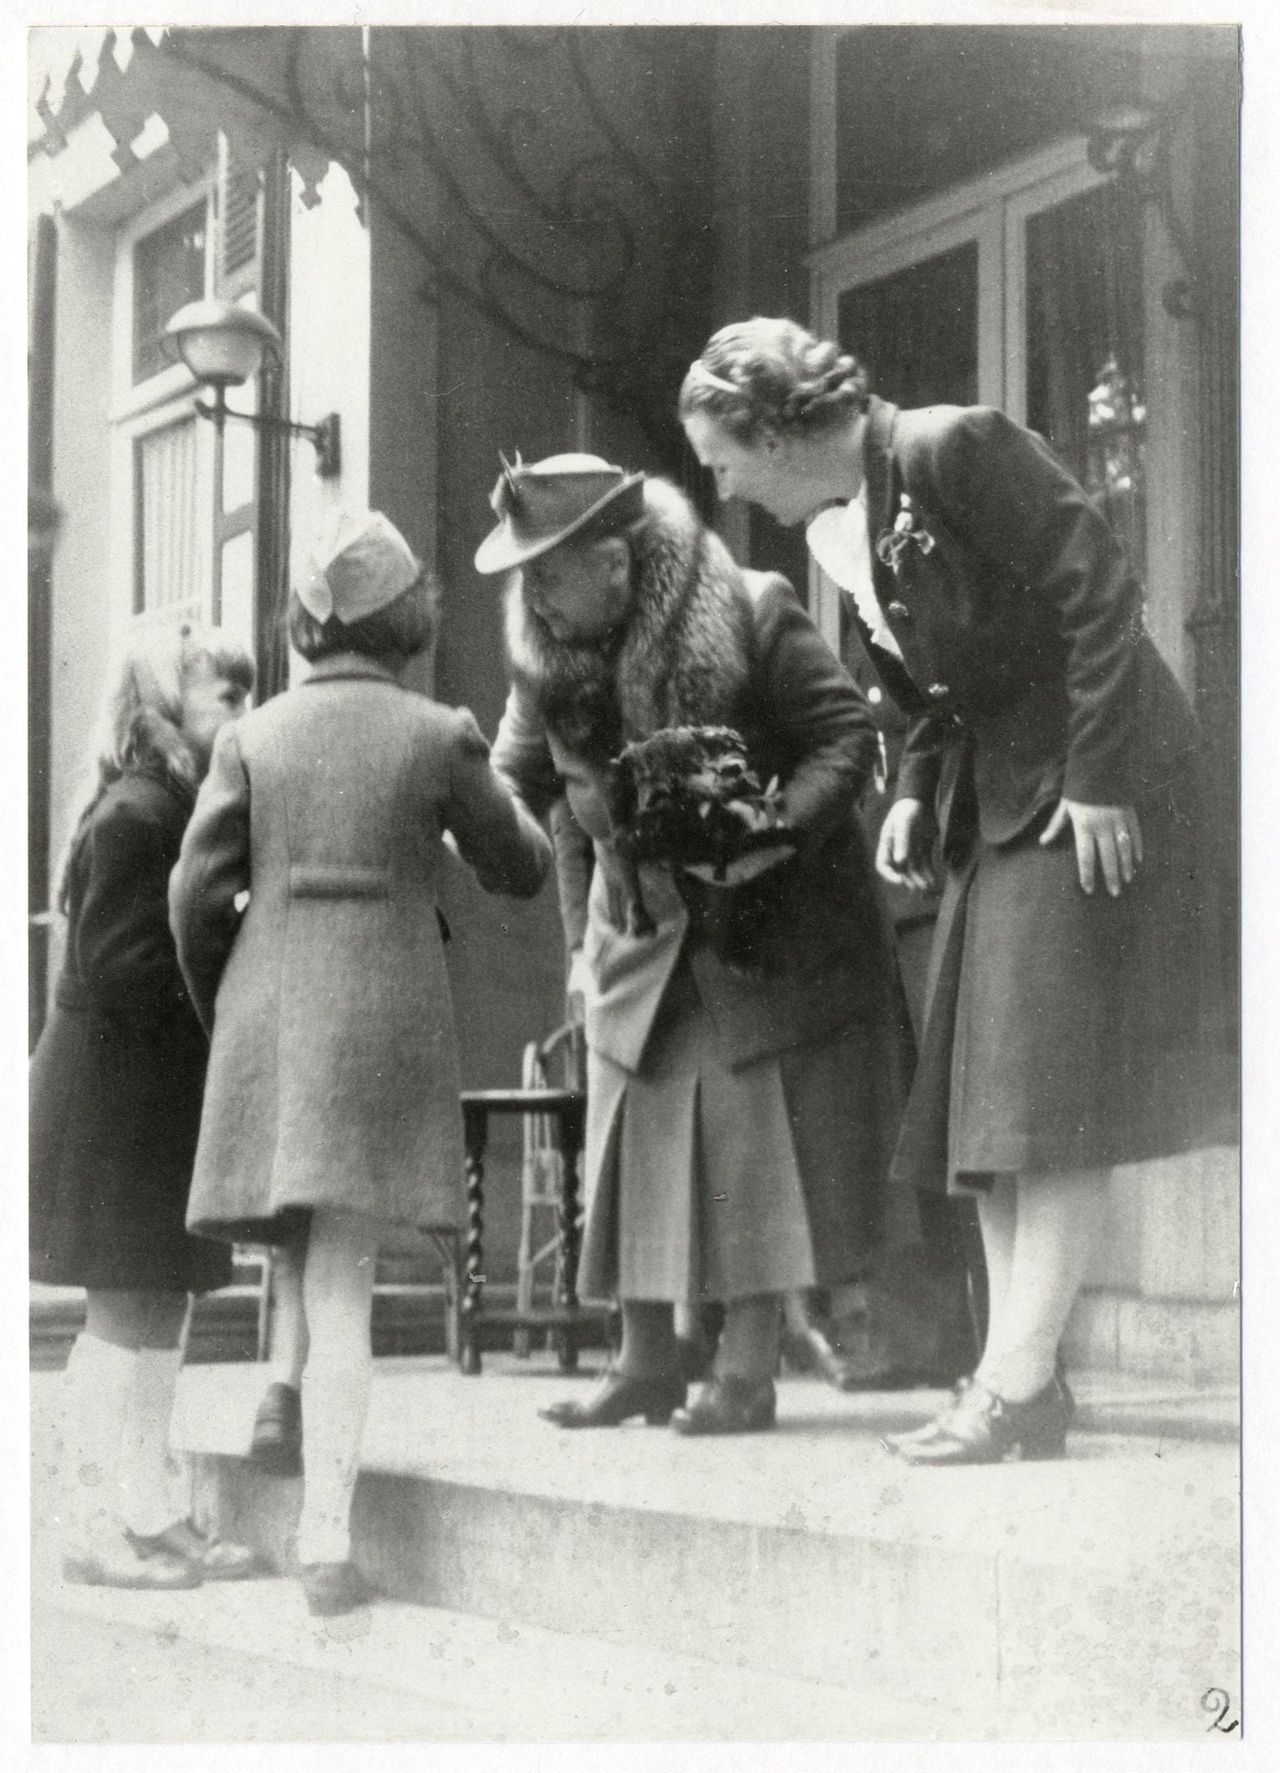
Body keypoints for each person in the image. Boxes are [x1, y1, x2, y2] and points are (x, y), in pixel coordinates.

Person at [680, 316, 1225, 1464]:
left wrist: (1099, 779)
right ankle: (1019, 1378)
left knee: (1043, 1097)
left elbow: (1100, 589)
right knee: (985, 1104)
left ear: (772, 431)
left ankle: (1014, 1381)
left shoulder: (946, 448)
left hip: (1085, 788)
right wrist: (917, 794)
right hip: (1001, 798)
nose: (721, 486)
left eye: (720, 460)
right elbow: (936, 687)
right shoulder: (845, 525)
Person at [475, 452, 914, 1435]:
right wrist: (569, 938)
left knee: (744, 1143)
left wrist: (773, 834)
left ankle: (744, 1375)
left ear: (617, 563)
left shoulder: (753, 612)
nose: (532, 596)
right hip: (633, 926)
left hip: (758, 923)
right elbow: (526, 787)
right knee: (627, 1134)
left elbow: (845, 738)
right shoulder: (544, 655)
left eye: (547, 572)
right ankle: (643, 1365)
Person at [169, 512, 551, 1613]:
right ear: (408, 619)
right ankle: (325, 1539)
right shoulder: (439, 735)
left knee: (300, 1234)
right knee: (347, 1276)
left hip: (269, 1010)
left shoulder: (253, 738)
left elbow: (194, 895)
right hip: (381, 1021)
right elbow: (518, 866)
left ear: (304, 620)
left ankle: (279, 1399)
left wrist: (230, 1006)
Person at [31, 620, 258, 1588]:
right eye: (229, 696)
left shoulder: (174, 805)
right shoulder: (139, 814)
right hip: (114, 1106)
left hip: (145, 1100)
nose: (246, 712)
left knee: (160, 1306)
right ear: (168, 705)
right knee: (124, 1313)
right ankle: (90, 1524)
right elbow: (124, 969)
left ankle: (149, 1511)